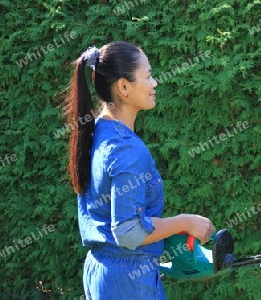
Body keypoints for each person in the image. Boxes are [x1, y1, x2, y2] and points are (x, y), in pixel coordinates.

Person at [64, 41, 215, 299]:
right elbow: (127, 231)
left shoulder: (97, 130)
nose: (155, 83)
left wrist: (170, 232)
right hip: (129, 282)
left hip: (101, 270)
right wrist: (185, 222)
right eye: (148, 76)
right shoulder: (127, 150)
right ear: (124, 87)